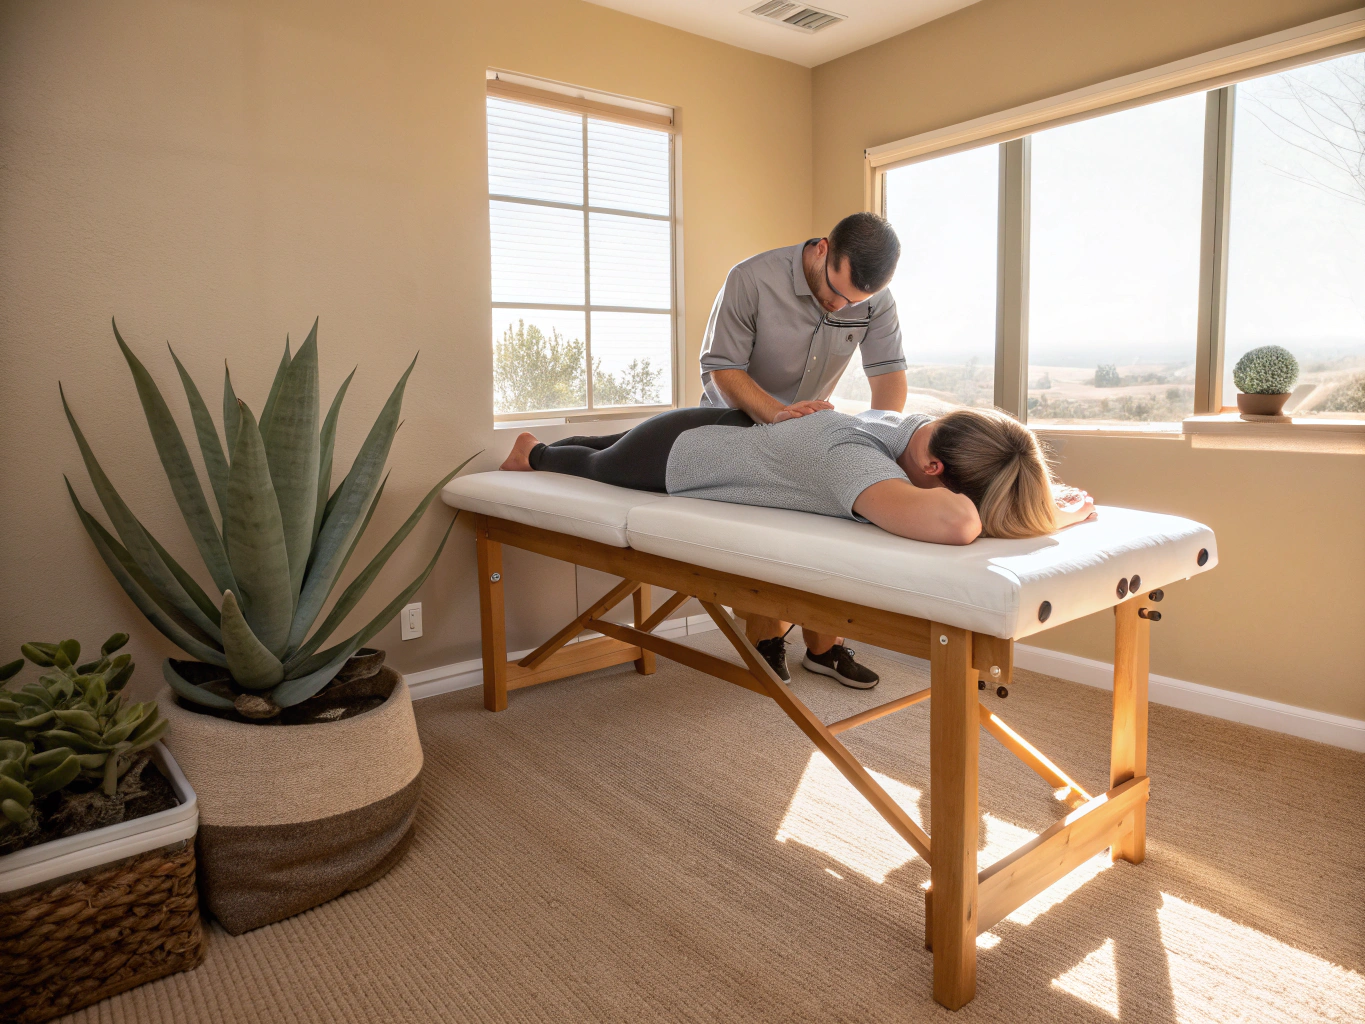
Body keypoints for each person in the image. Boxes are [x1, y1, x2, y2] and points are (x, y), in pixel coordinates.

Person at [499, 406, 1096, 689]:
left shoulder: (925, 431)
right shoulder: (852, 458)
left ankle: (556, 447)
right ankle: (533, 450)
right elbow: (957, 522)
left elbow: (958, 506)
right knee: (598, 461)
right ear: (935, 466)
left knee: (608, 442)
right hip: (681, 454)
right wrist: (1056, 519)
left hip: (739, 435)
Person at [695, 212, 908, 685]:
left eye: (853, 302)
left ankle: (824, 647)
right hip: (738, 422)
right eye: (836, 293)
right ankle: (766, 641)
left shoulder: (874, 302)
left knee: (833, 525)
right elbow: (722, 370)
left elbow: (889, 378)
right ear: (823, 249)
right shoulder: (751, 279)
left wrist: (879, 440)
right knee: (762, 537)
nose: (839, 306)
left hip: (807, 427)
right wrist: (776, 416)